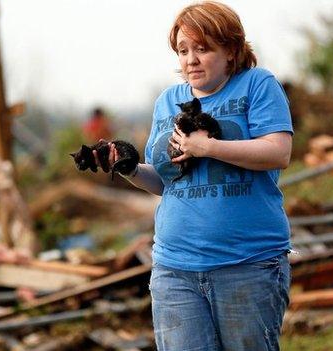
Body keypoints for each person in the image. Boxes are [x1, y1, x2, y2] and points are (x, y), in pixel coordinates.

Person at [94, 2, 293, 350]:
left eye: (203, 48)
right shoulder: (168, 101)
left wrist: (209, 147)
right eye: (183, 50)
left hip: (247, 264)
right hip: (175, 269)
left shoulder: (257, 85)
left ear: (231, 50)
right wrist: (129, 168)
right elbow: (165, 182)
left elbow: (278, 152)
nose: (191, 60)